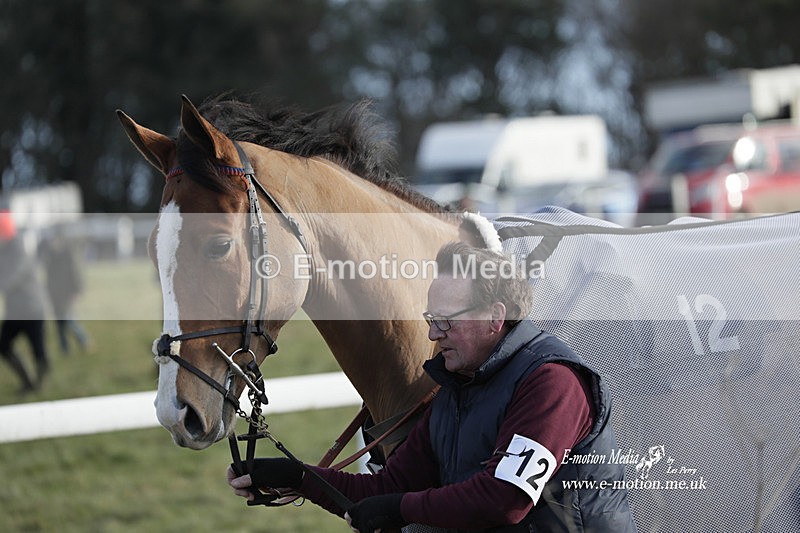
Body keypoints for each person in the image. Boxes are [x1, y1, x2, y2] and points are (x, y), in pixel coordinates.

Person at [227, 241, 637, 532]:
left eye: (446, 320)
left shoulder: (553, 383)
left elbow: (505, 498)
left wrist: (400, 509)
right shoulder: (455, 387)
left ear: (496, 317)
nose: (434, 334)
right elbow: (388, 488)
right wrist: (297, 476)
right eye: (430, 318)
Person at [0, 210, 50, 393]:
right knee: (4, 346)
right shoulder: (4, 250)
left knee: (38, 351)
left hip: (31, 310)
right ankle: (28, 382)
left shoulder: (19, 250)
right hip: (14, 311)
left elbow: (9, 280)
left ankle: (40, 386)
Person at [39, 224, 89, 355]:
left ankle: (84, 340)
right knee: (59, 322)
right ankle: (64, 349)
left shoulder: (68, 252)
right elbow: (47, 274)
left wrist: (76, 291)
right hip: (54, 292)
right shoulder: (49, 253)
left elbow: (75, 273)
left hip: (66, 292)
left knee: (68, 318)